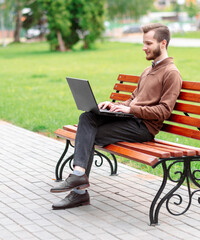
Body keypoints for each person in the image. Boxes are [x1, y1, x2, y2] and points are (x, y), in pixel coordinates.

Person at [50, 23, 183, 210]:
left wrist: (131, 111)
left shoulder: (171, 73)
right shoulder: (147, 71)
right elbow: (133, 100)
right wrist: (115, 106)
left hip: (144, 128)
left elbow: (164, 111)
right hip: (131, 119)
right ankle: (79, 173)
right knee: (87, 117)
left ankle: (79, 193)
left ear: (163, 43)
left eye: (148, 43)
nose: (143, 47)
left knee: (89, 134)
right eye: (143, 43)